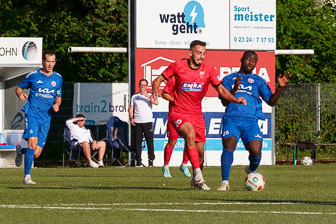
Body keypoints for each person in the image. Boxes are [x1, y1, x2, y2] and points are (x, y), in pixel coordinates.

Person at [152, 40, 246, 190]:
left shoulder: (209, 70)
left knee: (201, 152)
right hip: (178, 112)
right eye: (198, 53)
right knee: (189, 134)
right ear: (190, 53)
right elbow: (158, 80)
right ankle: (199, 178)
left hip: (197, 115)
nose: (201, 56)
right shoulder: (178, 66)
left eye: (204, 53)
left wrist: (235, 99)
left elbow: (221, 89)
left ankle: (195, 180)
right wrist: (154, 94)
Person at [217, 50, 289, 191]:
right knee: (228, 147)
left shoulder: (258, 81)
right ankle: (224, 183)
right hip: (232, 119)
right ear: (241, 59)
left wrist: (280, 88)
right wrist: (234, 90)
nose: (251, 62)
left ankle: (251, 169)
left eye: (254, 61)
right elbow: (224, 103)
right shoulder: (229, 79)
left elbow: (271, 102)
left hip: (251, 121)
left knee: (256, 151)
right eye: (248, 59)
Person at [15, 50, 63, 184]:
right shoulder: (34, 75)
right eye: (48, 61)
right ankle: (27, 177)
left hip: (46, 118)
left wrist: (57, 105)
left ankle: (21, 151)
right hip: (32, 114)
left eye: (52, 62)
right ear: (43, 61)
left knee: (36, 152)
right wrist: (20, 94)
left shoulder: (58, 78)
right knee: (33, 141)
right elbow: (19, 88)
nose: (50, 64)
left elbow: (58, 98)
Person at [161, 77, 191, 178]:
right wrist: (176, 100)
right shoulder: (174, 80)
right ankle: (166, 166)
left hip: (187, 116)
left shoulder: (192, 81)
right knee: (172, 142)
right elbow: (164, 94)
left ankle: (184, 164)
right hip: (174, 117)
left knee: (189, 139)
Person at [129, 79, 158, 167]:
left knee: (150, 141)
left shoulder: (150, 95)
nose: (143, 87)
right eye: (141, 85)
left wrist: (148, 96)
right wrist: (131, 118)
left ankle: (151, 161)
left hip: (147, 121)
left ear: (147, 86)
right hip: (137, 122)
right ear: (139, 85)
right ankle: (138, 161)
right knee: (138, 142)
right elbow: (131, 108)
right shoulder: (134, 96)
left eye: (144, 85)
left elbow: (156, 102)